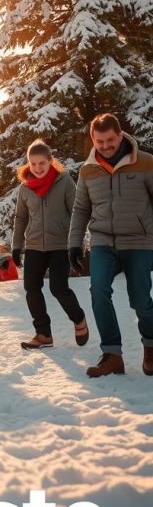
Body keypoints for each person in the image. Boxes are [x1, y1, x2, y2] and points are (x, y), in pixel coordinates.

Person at [69, 113, 153, 378]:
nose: (105, 145)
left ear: (120, 135)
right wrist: (74, 243)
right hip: (103, 240)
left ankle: (150, 346)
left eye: (110, 140)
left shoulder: (146, 163)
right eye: (99, 141)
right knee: (98, 292)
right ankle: (112, 354)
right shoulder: (88, 169)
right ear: (93, 139)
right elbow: (81, 208)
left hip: (139, 240)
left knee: (141, 300)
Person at [12, 140, 88, 350]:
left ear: (50, 161)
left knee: (58, 287)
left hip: (60, 245)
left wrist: (77, 244)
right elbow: (20, 218)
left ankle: (79, 319)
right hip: (35, 245)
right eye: (33, 164)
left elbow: (77, 213)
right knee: (31, 288)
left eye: (41, 163)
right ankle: (43, 334)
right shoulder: (25, 188)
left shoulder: (64, 182)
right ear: (28, 164)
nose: (37, 168)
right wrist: (16, 246)